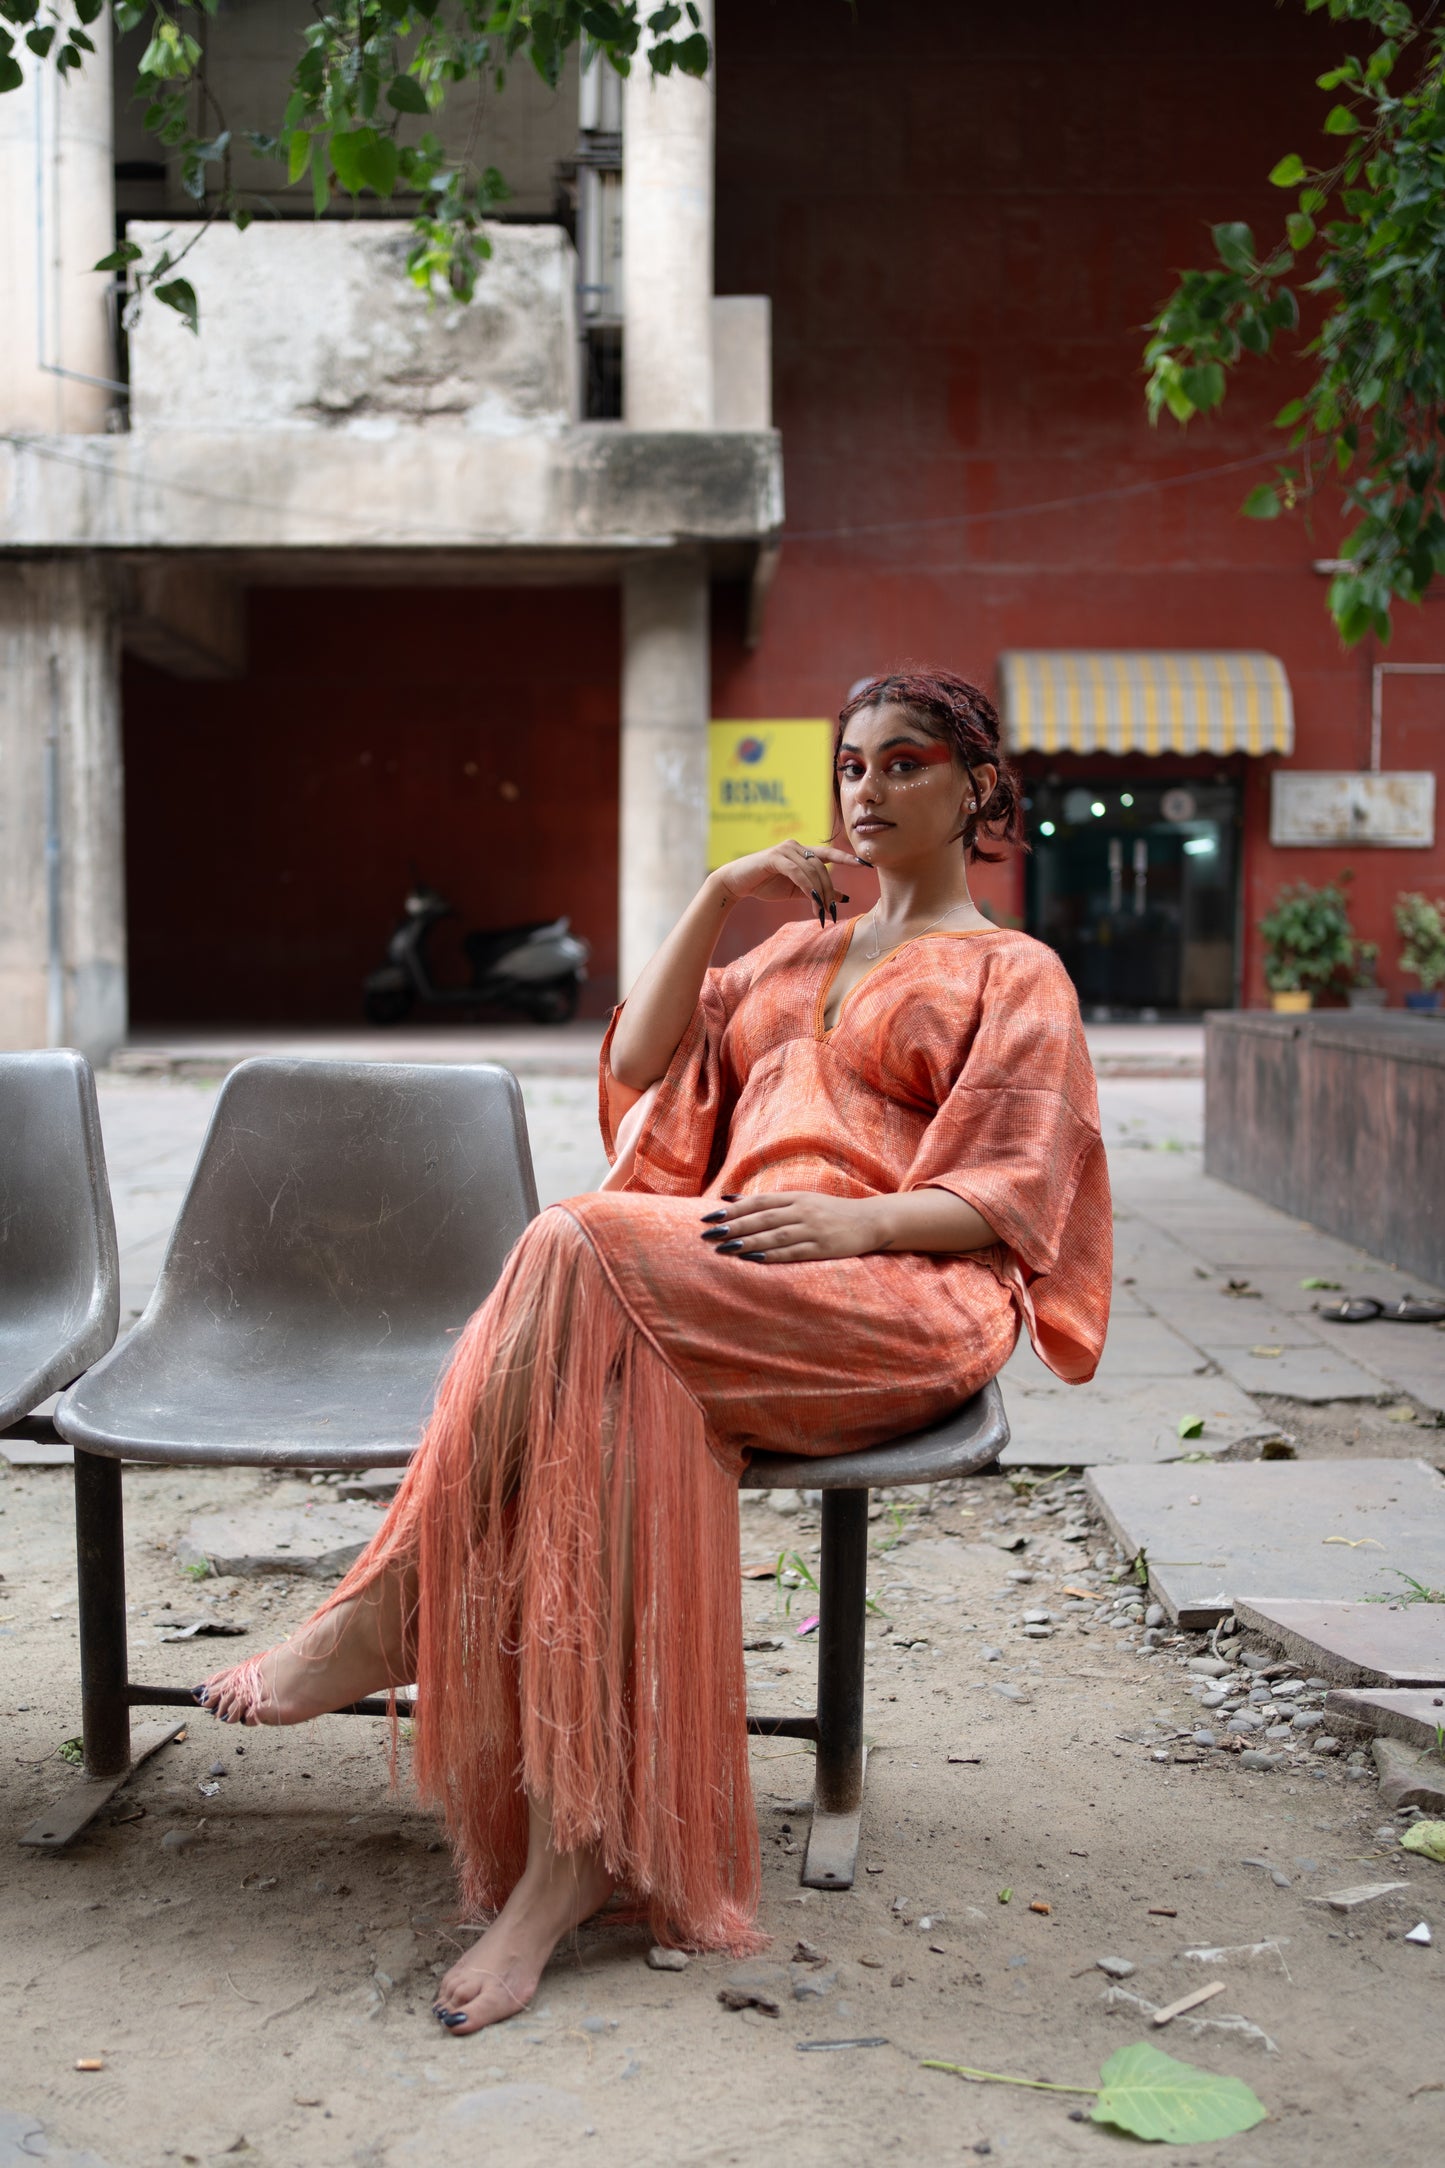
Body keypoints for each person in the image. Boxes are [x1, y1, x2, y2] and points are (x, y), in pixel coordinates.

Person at [197, 667, 1111, 2035]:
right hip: (718, 1280)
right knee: (622, 1419)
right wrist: (721, 889)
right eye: (851, 766)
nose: (867, 790)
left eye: (905, 763)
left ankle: (398, 1609)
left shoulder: (1011, 971)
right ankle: (570, 1869)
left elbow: (1015, 1190)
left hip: (899, 1292)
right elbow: (638, 1067)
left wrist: (851, 1221)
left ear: (976, 789)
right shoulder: (790, 953)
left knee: (578, 1241)